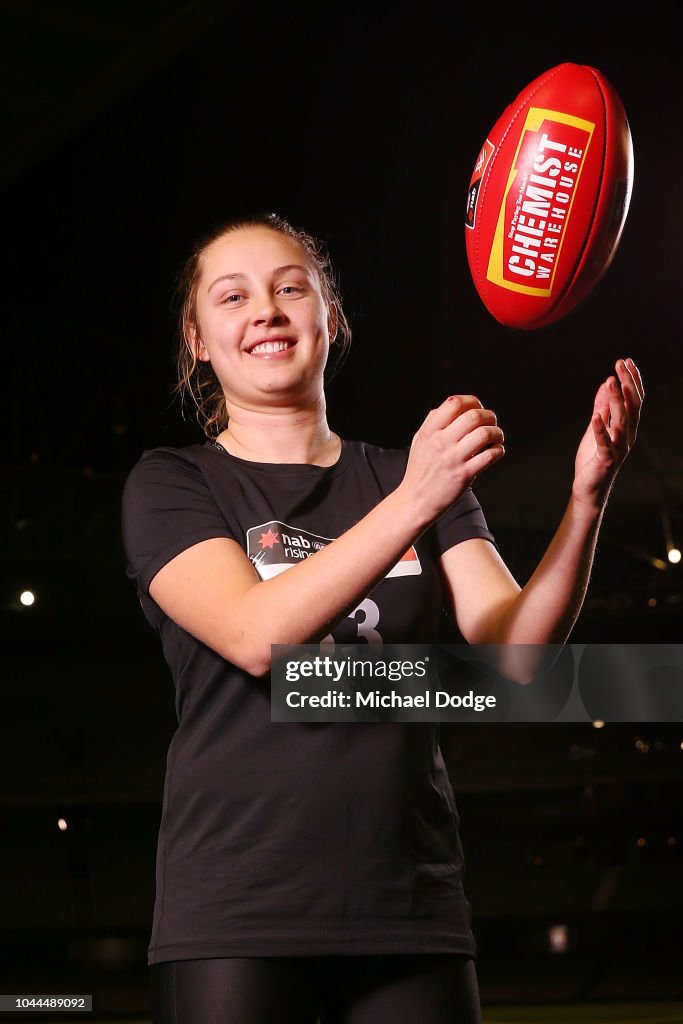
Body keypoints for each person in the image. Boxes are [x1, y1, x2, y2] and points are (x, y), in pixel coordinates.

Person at [120, 211, 643, 1024]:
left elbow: (515, 656)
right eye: (233, 297)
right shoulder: (172, 485)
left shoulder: (413, 478)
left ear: (331, 317)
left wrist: (586, 499)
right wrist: (412, 502)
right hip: (238, 914)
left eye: (291, 287)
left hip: (411, 908)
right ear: (197, 340)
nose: (266, 309)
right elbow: (257, 638)